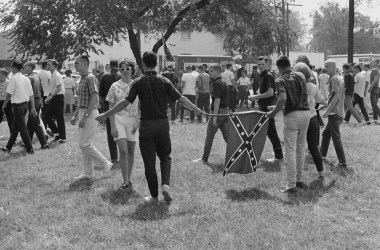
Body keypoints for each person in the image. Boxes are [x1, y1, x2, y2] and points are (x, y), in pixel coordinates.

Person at [96, 51, 203, 203]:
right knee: (165, 157)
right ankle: (165, 185)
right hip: (162, 125)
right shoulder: (165, 80)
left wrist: (106, 114)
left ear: (143, 65)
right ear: (156, 64)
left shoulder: (137, 82)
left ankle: (154, 196)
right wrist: (196, 109)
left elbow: (126, 102)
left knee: (149, 162)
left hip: (146, 126)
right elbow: (181, 99)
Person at [268, 56, 310, 193]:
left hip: (292, 116)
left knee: (290, 150)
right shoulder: (300, 76)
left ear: (279, 68)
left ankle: (291, 184)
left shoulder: (280, 80)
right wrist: (276, 108)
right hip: (305, 113)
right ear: (289, 65)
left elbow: (283, 98)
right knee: (300, 148)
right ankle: (299, 180)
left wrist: (274, 113)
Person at [70, 55, 113, 181]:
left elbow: (94, 99)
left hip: (90, 113)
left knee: (84, 144)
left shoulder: (90, 78)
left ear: (84, 64)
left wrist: (85, 116)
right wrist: (75, 115)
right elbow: (82, 101)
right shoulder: (83, 79)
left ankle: (105, 164)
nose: (75, 65)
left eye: (76, 63)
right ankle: (88, 173)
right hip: (85, 112)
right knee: (86, 144)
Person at [106, 59, 140, 191]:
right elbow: (110, 106)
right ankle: (125, 180)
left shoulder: (137, 84)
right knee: (123, 150)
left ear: (133, 69)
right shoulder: (114, 86)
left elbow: (141, 105)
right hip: (118, 119)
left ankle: (128, 178)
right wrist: (113, 126)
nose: (125, 71)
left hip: (133, 120)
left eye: (128, 69)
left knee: (131, 151)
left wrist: (138, 120)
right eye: (122, 69)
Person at [294, 62, 327, 179]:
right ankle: (321, 173)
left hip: (299, 118)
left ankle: (298, 177)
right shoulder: (313, 87)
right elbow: (320, 99)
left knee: (299, 147)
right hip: (312, 117)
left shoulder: (295, 87)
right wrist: (328, 103)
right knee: (313, 147)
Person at [249, 56, 284, 163]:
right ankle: (277, 154)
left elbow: (270, 93)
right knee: (269, 131)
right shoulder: (264, 76)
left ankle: (279, 156)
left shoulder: (268, 76)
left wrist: (255, 97)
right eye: (258, 64)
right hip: (264, 107)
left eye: (262, 64)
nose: (260, 66)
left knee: (271, 131)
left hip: (267, 107)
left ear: (267, 64)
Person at [193, 63, 229, 164]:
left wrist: (214, 117)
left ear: (218, 71)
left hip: (218, 113)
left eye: (211, 71)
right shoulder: (224, 82)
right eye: (209, 71)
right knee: (228, 138)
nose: (209, 73)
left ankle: (204, 159)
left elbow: (217, 100)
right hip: (225, 113)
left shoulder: (216, 83)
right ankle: (237, 156)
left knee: (209, 137)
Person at [1, 60, 36, 154]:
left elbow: (8, 94)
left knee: (22, 128)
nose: (11, 69)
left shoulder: (13, 78)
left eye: (11, 67)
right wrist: (32, 107)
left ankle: (30, 148)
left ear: (14, 68)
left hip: (18, 106)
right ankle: (8, 147)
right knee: (15, 127)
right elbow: (31, 94)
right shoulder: (26, 78)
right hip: (25, 105)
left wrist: (3, 105)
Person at [320, 59, 347, 169]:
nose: (326, 68)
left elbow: (336, 96)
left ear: (334, 67)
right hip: (337, 111)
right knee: (326, 134)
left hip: (334, 112)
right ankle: (322, 155)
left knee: (336, 137)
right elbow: (336, 96)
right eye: (325, 66)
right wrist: (326, 104)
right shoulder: (338, 78)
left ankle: (343, 162)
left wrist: (327, 110)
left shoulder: (333, 79)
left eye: (328, 66)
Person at [23, 62, 49, 149]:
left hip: (32, 102)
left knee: (36, 123)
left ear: (30, 67)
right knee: (30, 123)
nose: (24, 67)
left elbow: (28, 93)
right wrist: (41, 101)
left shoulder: (29, 78)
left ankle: (44, 143)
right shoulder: (37, 76)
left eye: (25, 66)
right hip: (37, 101)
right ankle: (28, 142)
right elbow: (41, 91)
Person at [99, 60, 120, 164]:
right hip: (121, 107)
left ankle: (114, 157)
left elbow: (101, 93)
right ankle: (123, 154)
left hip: (108, 107)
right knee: (121, 130)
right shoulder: (121, 75)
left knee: (110, 131)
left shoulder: (104, 76)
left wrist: (103, 105)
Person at [45, 59, 66, 143]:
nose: (48, 66)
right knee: (47, 116)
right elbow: (52, 88)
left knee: (59, 118)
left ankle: (63, 138)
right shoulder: (51, 75)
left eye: (49, 64)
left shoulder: (57, 75)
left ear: (54, 65)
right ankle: (57, 134)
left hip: (58, 98)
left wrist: (50, 97)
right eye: (47, 64)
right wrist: (48, 97)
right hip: (53, 97)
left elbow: (58, 88)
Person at [0, 68, 14, 135]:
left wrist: (5, 103)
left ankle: (13, 136)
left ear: (3, 74)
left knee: (10, 119)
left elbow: (10, 94)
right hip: (0, 102)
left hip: (8, 102)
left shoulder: (8, 82)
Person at [38, 61, 51, 130]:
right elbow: (50, 83)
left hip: (41, 94)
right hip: (48, 94)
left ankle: (44, 126)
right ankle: (48, 127)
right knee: (48, 112)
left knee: (43, 111)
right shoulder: (48, 73)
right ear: (46, 66)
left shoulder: (38, 73)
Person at [368, 59, 380, 124]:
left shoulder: (374, 70)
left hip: (374, 88)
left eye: (372, 61)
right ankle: (375, 118)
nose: (371, 62)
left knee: (373, 103)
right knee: (374, 103)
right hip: (377, 88)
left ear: (375, 63)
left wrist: (371, 86)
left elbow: (376, 78)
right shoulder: (377, 70)